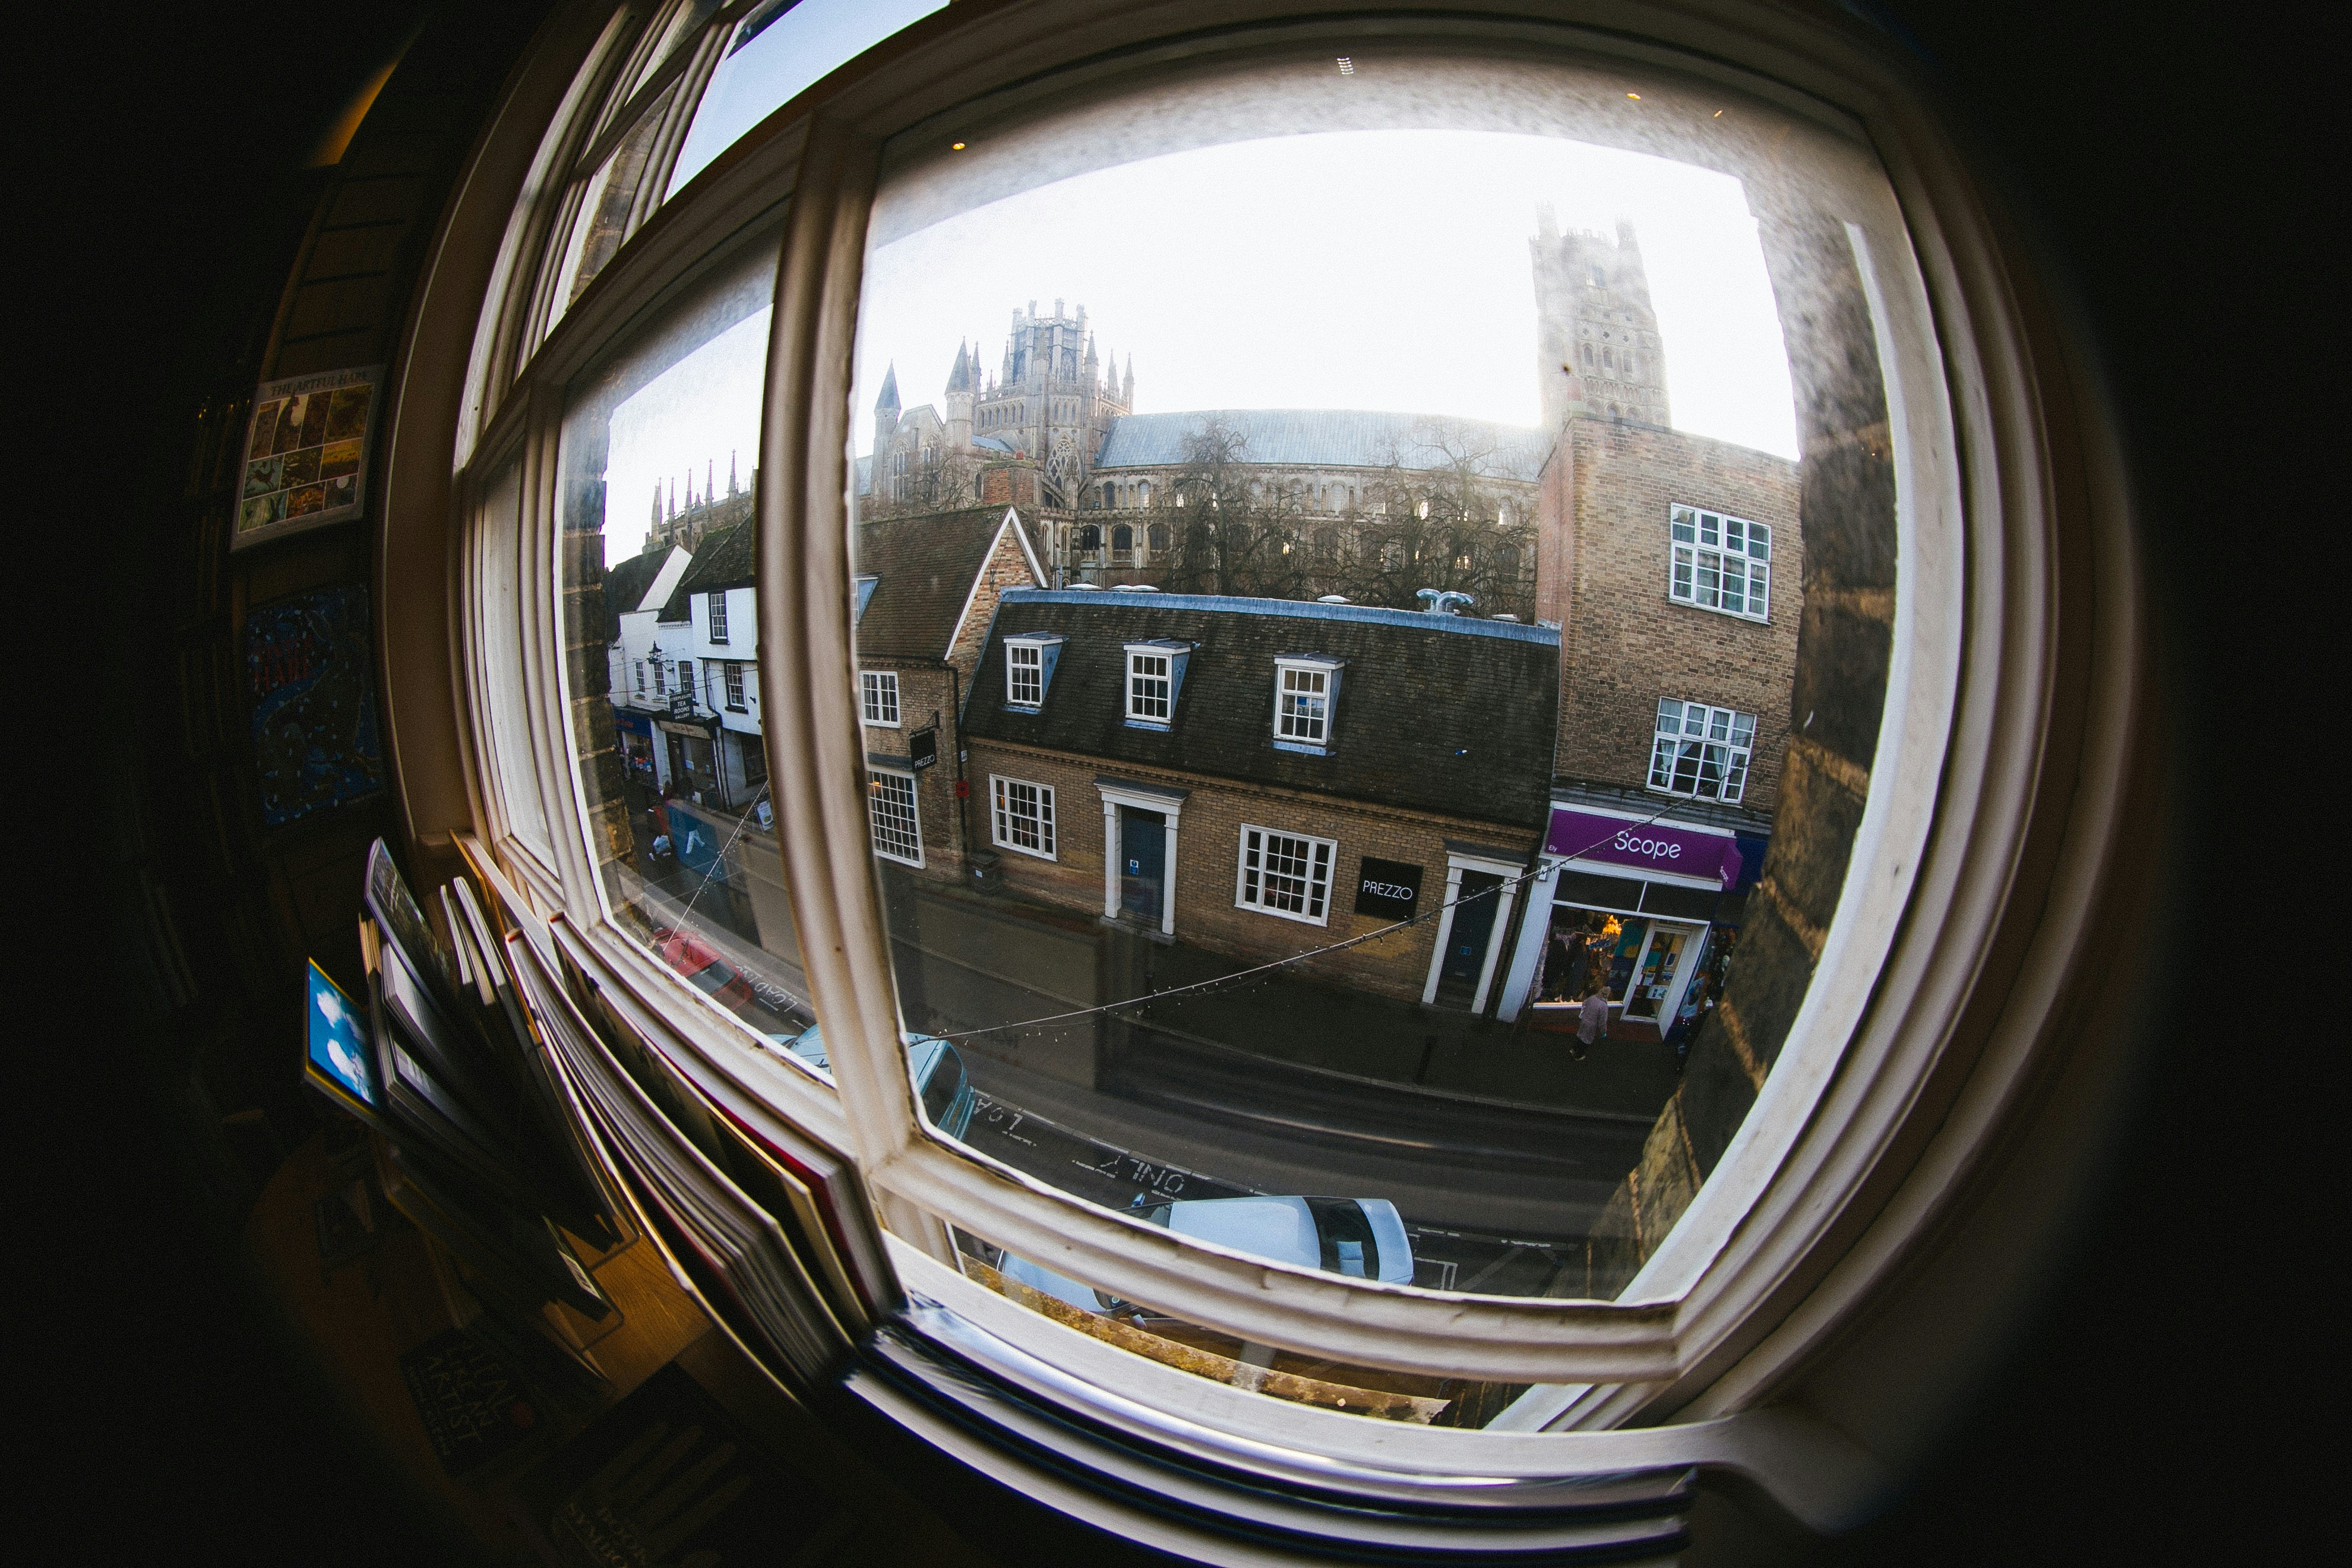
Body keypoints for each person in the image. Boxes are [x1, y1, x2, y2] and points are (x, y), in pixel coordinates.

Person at [1576, 984, 1610, 1060]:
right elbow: (1602, 1021)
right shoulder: (1604, 1006)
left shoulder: (1593, 998)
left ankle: (1574, 1049)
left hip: (1584, 1020)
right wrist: (1603, 1032)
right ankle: (1578, 1056)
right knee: (1586, 1040)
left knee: (1580, 1035)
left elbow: (1584, 1004)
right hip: (1591, 1025)